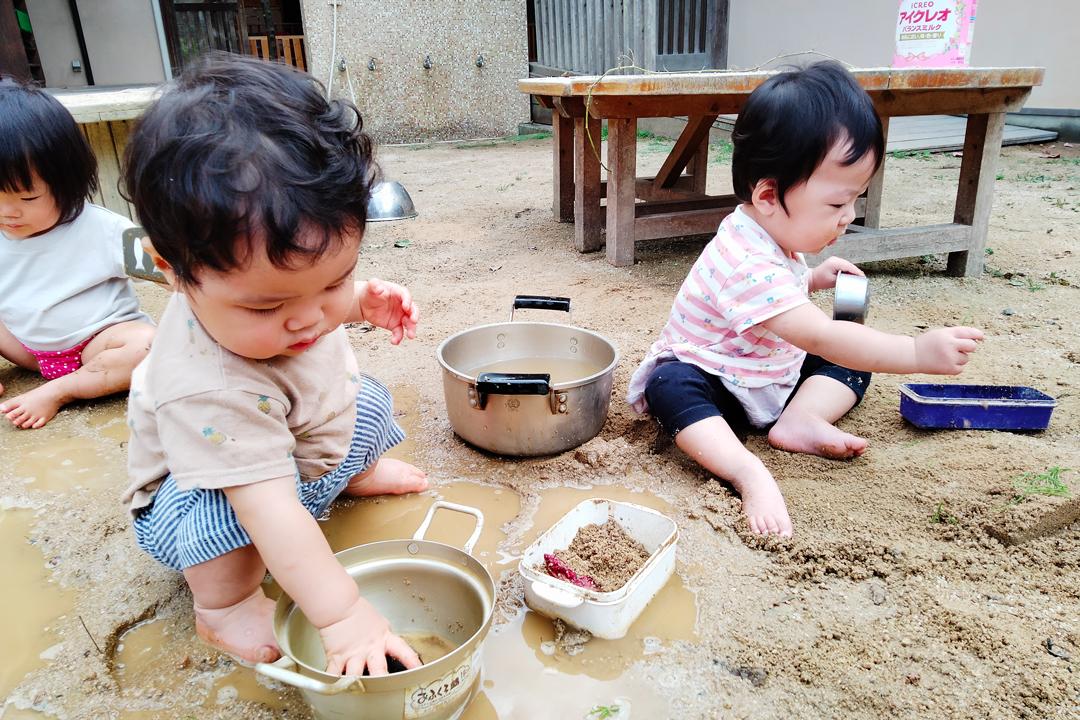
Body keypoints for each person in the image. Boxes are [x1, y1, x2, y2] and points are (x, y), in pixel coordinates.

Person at [119, 54, 429, 676]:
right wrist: (342, 617)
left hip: (296, 435)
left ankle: (346, 474)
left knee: (364, 398)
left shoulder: (298, 303)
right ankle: (224, 605)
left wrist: (360, 300)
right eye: (268, 305)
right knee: (234, 509)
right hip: (205, 491)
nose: (310, 319)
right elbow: (269, 509)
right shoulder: (204, 386)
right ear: (172, 269)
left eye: (331, 280)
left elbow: (309, 295)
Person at [626, 62, 983, 539]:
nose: (848, 217)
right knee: (671, 384)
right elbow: (815, 331)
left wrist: (812, 277)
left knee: (854, 354)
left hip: (770, 368)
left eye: (855, 199)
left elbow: (781, 294)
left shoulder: (772, 231)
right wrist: (916, 353)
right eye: (837, 204)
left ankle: (800, 420)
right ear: (769, 194)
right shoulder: (743, 259)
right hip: (720, 380)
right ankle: (746, 470)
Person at [0, 80, 156, 429]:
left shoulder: (103, 230)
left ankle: (61, 391)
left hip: (97, 346)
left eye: (26, 198)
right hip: (27, 351)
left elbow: (173, 271)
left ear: (68, 181)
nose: (7, 212)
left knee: (149, 346)